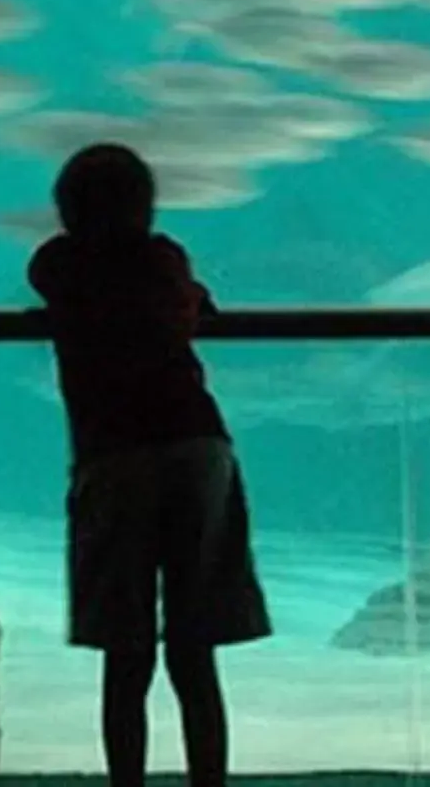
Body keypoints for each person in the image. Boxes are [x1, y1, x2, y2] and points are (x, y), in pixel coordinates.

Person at [29, 143, 271, 787]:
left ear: (65, 211)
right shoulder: (166, 262)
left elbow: (49, 274)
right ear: (148, 207)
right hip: (198, 447)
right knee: (196, 650)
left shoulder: (60, 263)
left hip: (114, 458)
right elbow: (177, 301)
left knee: (124, 650)